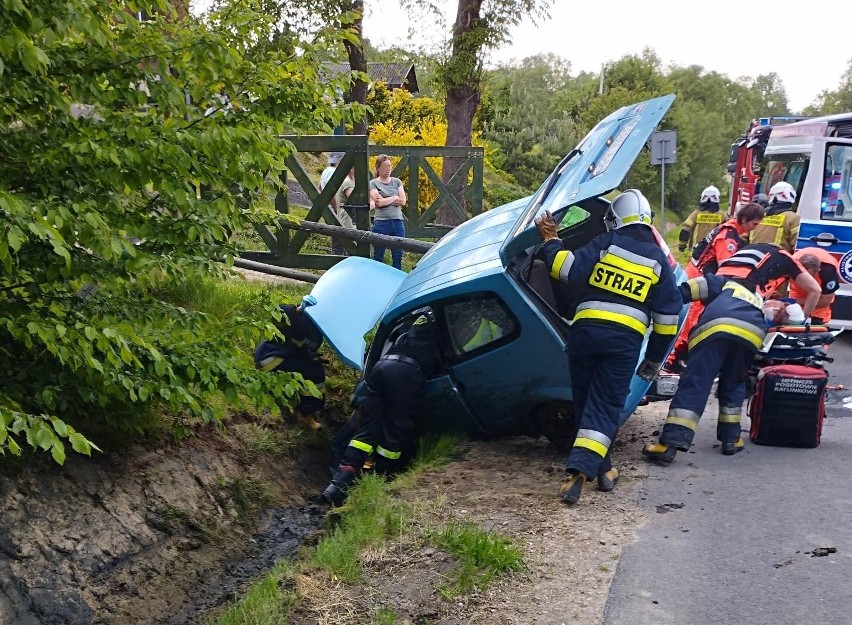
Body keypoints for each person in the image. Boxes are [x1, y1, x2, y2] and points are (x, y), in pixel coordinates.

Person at [535, 189, 683, 505]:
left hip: (584, 335)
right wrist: (654, 358)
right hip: (623, 343)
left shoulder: (607, 243)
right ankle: (578, 472)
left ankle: (606, 469)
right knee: (604, 406)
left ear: (615, 219)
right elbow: (668, 318)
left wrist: (551, 241)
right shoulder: (658, 260)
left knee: (587, 402)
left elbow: (566, 270)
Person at [643, 244, 821, 464]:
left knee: (696, 383)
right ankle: (731, 439)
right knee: (734, 383)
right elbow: (815, 290)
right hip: (752, 334)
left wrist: (649, 304)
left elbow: (680, 293)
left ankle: (670, 443)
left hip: (715, 329)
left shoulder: (721, 282)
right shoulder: (756, 297)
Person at [322, 309, 442, 506]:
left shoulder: (405, 331)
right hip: (407, 373)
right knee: (395, 431)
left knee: (366, 431)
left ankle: (337, 486)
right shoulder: (437, 338)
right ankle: (378, 480)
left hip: (381, 367)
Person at [664, 202, 766, 371]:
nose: (754, 229)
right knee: (691, 320)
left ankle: (679, 358)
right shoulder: (728, 237)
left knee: (691, 319)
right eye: (754, 224)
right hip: (700, 279)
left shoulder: (729, 231)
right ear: (745, 219)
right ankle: (672, 359)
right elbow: (727, 267)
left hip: (699, 275)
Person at [254, 297, 326, 431]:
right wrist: (297, 311)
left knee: (312, 365)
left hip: (270, 357)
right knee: (314, 371)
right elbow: (281, 314)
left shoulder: (307, 324)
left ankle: (308, 408)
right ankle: (304, 413)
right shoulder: (297, 319)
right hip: (271, 360)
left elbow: (303, 348)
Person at [369, 154, 407, 270]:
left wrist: (388, 199)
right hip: (381, 223)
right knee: (378, 255)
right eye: (385, 167)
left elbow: (403, 201)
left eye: (389, 166)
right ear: (378, 168)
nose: (388, 170)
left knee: (397, 255)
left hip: (397, 222)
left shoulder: (397, 182)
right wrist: (394, 198)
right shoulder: (373, 183)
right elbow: (378, 203)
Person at [788, 249, 840, 325]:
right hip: (798, 289)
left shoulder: (828, 273)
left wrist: (794, 302)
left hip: (820, 294)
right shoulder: (790, 266)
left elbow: (825, 302)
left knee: (818, 319)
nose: (807, 280)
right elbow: (778, 283)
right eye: (804, 275)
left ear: (818, 270)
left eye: (810, 276)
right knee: (791, 314)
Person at [748, 181, 800, 252]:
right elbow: (797, 246)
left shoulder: (759, 216)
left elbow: (744, 238)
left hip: (753, 258)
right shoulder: (793, 218)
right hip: (778, 260)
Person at [677, 186, 723, 253]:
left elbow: (685, 229)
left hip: (699, 249)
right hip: (716, 249)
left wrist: (682, 245)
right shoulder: (721, 215)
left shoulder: (696, 213)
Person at [320, 152, 349, 256]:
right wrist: (337, 210)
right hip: (335, 210)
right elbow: (332, 191)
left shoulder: (326, 171)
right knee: (341, 242)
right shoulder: (334, 172)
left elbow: (319, 187)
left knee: (337, 241)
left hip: (328, 208)